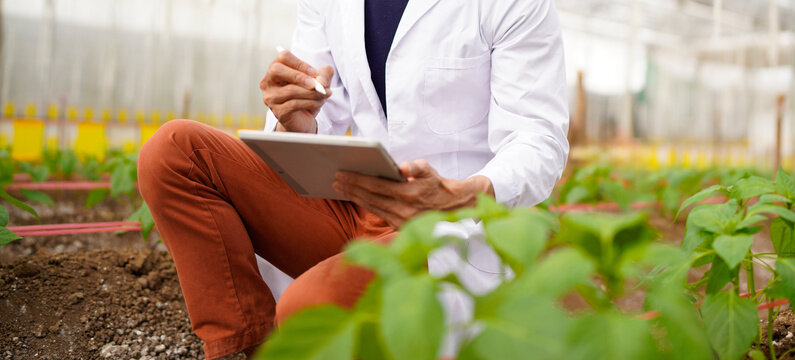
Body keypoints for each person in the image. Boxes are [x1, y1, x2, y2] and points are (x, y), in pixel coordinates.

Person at [136, 0, 569, 358]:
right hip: (356, 204)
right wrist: (297, 120)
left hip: (449, 227)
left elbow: (539, 140)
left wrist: (462, 195)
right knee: (175, 152)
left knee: (308, 309)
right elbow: (319, 106)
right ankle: (246, 347)